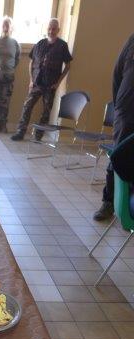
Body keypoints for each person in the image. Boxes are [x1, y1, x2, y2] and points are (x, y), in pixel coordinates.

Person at [93, 33, 134, 221]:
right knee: (118, 156)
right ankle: (109, 202)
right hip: (127, 111)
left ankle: (129, 206)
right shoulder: (132, 41)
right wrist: (119, 107)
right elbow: (117, 74)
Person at [11, 18, 72, 141]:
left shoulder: (62, 45)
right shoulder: (39, 44)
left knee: (46, 111)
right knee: (27, 106)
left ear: (58, 30)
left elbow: (68, 66)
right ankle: (20, 132)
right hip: (36, 83)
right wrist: (31, 80)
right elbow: (31, 62)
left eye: (54, 29)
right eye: (49, 28)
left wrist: (58, 83)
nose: (51, 31)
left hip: (50, 85)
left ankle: (38, 136)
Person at [0, 16, 20, 133]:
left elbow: (17, 60)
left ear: (11, 28)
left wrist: (8, 69)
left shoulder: (15, 43)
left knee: (5, 102)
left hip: (8, 77)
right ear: (1, 27)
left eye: (8, 25)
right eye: (4, 25)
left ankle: (3, 125)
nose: (5, 27)